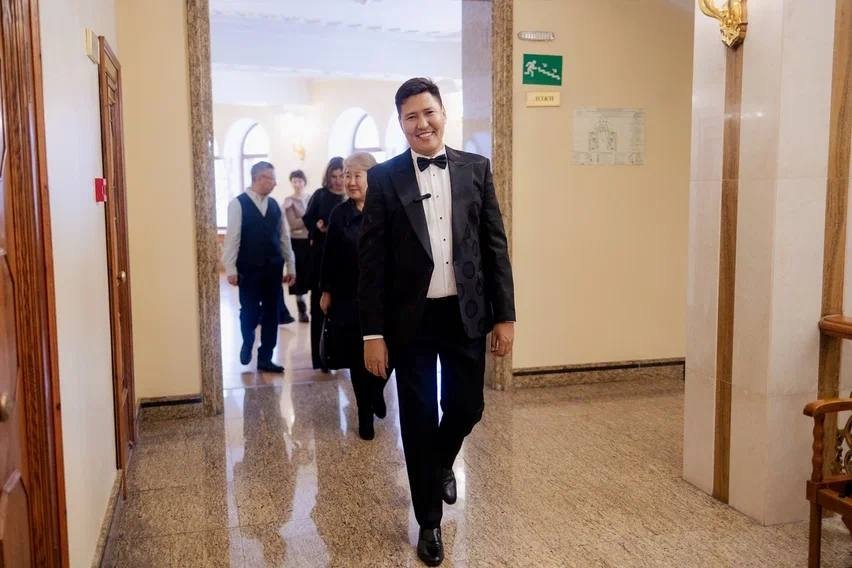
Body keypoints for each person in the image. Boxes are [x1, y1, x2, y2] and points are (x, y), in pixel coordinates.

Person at [358, 78, 515, 566]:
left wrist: (505, 316)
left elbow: (494, 247)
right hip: (411, 321)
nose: (421, 123)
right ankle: (428, 522)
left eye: (428, 112)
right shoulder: (385, 178)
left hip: (467, 313)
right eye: (411, 116)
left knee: (467, 407)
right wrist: (372, 333)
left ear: (443, 114)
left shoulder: (476, 169)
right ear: (401, 123)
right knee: (418, 418)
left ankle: (442, 463)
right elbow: (371, 263)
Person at [319, 152, 388, 440]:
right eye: (347, 175)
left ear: (372, 177)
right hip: (349, 297)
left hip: (384, 297)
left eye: (357, 175)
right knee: (359, 359)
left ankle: (377, 390)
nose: (350, 181)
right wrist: (326, 291)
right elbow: (329, 256)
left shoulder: (386, 208)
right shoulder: (339, 214)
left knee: (390, 354)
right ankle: (364, 414)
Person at [222, 161, 296, 373]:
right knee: (250, 311)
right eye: (271, 178)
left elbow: (284, 237)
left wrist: (291, 265)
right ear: (258, 178)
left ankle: (265, 358)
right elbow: (232, 238)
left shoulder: (274, 205)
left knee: (272, 313)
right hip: (249, 268)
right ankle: (247, 341)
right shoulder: (238, 204)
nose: (274, 183)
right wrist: (230, 269)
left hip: (273, 268)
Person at [302, 157, 346, 372]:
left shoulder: (350, 196)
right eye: (334, 176)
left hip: (344, 263)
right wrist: (317, 226)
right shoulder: (320, 195)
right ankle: (320, 358)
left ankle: (340, 355)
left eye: (341, 176)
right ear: (328, 177)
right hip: (321, 261)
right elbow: (307, 219)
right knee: (319, 312)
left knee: (342, 312)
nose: (338, 180)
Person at [283, 169, 312, 323]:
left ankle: (315, 308)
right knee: (299, 277)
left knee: (312, 275)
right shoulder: (289, 201)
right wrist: (309, 218)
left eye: (299, 181)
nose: (297, 184)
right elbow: (293, 225)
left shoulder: (311, 198)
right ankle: (302, 310)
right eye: (294, 181)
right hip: (297, 242)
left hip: (312, 241)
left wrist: (305, 221)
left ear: (304, 182)